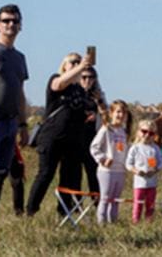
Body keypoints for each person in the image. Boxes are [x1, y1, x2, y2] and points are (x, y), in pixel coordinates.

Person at [25, 51, 101, 217]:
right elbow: (58, 84)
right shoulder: (55, 79)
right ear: (64, 65)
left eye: (79, 62)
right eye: (73, 62)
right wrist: (81, 66)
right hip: (52, 137)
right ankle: (31, 210)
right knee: (46, 173)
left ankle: (64, 212)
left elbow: (88, 109)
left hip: (73, 139)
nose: (76, 65)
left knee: (70, 176)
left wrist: (93, 111)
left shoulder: (80, 90)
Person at [0, 4, 29, 224]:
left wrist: (23, 125)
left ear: (20, 26)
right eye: (6, 21)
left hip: (11, 123)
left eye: (14, 21)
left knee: (2, 173)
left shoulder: (20, 58)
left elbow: (21, 92)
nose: (10, 25)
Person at [90, 99, 131, 223]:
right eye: (118, 112)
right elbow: (94, 147)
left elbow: (127, 149)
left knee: (116, 199)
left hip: (120, 170)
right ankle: (101, 224)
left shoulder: (124, 132)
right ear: (111, 113)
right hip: (106, 171)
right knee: (105, 198)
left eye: (123, 112)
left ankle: (113, 222)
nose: (121, 115)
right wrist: (102, 159)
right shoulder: (106, 129)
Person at [126, 118, 162, 223]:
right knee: (138, 203)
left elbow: (161, 162)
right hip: (139, 183)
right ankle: (135, 222)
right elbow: (128, 164)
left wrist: (155, 169)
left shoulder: (155, 148)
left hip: (152, 183)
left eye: (151, 133)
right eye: (144, 131)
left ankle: (149, 222)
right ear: (138, 132)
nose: (147, 135)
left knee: (150, 204)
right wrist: (137, 171)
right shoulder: (135, 148)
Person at [79, 66, 107, 197]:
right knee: (74, 175)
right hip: (76, 138)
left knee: (93, 174)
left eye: (91, 77)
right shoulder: (75, 93)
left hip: (92, 138)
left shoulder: (97, 95)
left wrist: (99, 101)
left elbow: (107, 116)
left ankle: (97, 204)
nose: (87, 80)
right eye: (84, 77)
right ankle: (75, 205)